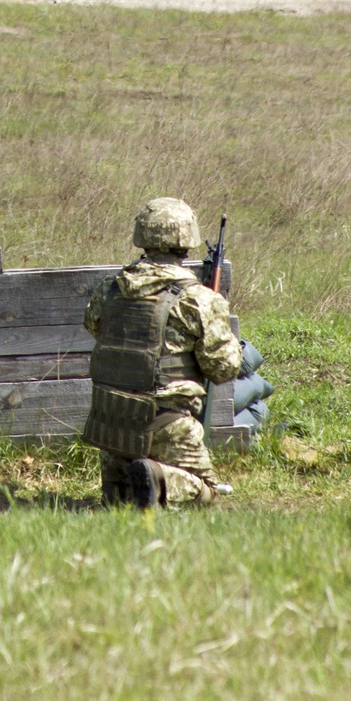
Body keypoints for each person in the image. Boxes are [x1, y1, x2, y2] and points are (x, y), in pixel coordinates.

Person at [82, 197, 241, 510]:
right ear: (186, 241)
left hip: (112, 425)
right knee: (206, 491)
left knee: (123, 503)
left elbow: (96, 327)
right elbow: (223, 369)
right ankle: (157, 477)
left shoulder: (110, 288)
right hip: (166, 426)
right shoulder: (199, 300)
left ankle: (124, 483)